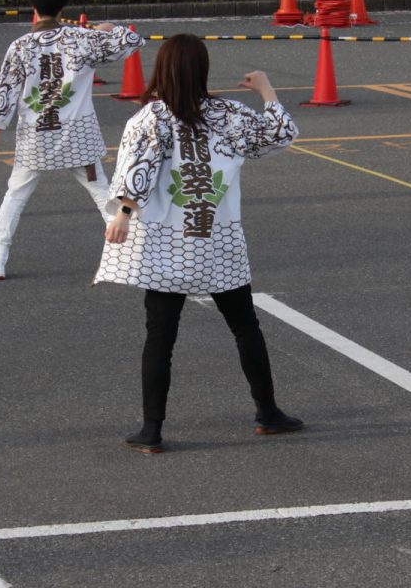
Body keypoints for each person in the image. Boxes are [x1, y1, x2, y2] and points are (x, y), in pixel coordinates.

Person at [94, 35, 301, 454]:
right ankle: (268, 412)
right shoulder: (230, 113)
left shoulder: (150, 117)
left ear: (161, 68)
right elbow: (279, 136)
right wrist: (266, 90)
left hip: (168, 243)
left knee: (160, 337)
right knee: (245, 327)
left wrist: (124, 213)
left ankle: (151, 430)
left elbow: (138, 170)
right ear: (203, 69)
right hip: (218, 239)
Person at [0, 0, 143, 280]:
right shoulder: (83, 39)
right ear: (64, 6)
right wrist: (108, 29)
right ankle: (129, 255)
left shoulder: (21, 46)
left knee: (15, 196)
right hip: (79, 136)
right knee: (103, 194)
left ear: (32, 5)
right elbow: (132, 41)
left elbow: (5, 93)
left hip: (35, 137)